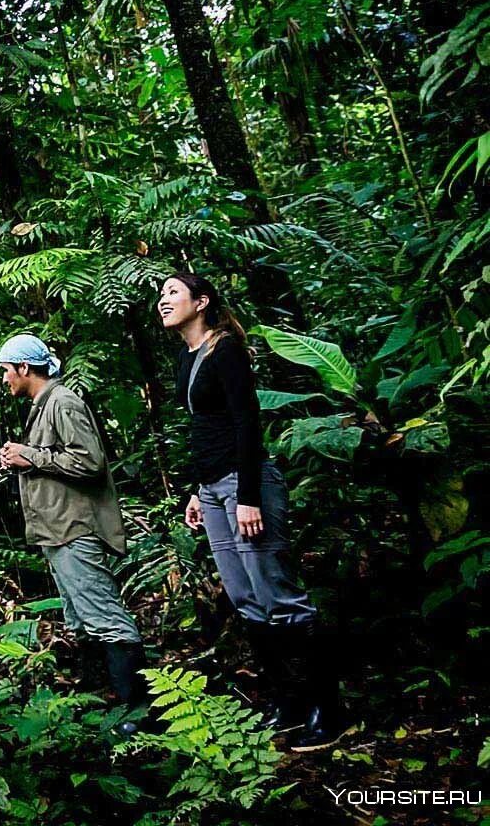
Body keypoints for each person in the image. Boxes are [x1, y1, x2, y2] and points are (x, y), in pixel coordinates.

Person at [158, 271, 343, 750]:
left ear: (201, 302)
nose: (163, 301)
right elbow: (207, 428)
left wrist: (248, 495)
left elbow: (246, 422)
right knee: (244, 597)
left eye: (173, 292)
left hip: (245, 484)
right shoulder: (188, 355)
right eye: (161, 294)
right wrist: (199, 491)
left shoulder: (227, 351)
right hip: (214, 489)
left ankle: (327, 708)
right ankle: (287, 702)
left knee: (278, 595)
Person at [0, 333, 149, 735]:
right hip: (57, 530)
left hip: (74, 528)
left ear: (24, 369)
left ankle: (137, 716)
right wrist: (25, 459)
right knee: (81, 620)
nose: (5, 380)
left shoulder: (62, 402)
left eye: (6, 371)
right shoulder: (43, 406)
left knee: (105, 618)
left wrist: (32, 456)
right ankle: (104, 708)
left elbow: (90, 462)